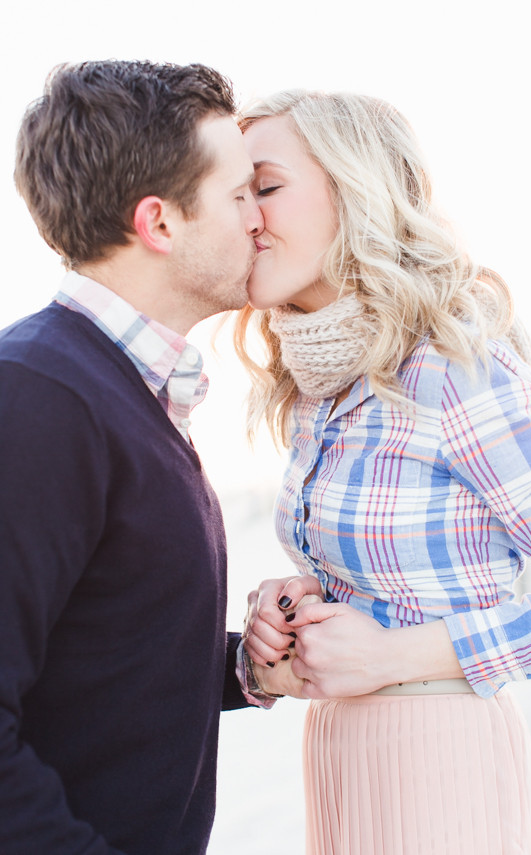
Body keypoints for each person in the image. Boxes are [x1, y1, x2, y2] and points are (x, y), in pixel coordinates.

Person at [236, 90, 531, 853]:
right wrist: (295, 610)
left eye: (267, 186)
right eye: (236, 194)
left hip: (444, 765)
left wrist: (398, 653)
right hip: (341, 758)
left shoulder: (454, 366)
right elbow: (398, 586)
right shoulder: (325, 384)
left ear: (355, 190)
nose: (246, 217)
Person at [0, 60, 269, 855]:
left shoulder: (119, 391)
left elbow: (93, 662)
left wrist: (245, 666)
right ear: (159, 222)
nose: (260, 218)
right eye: (240, 193)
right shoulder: (40, 396)